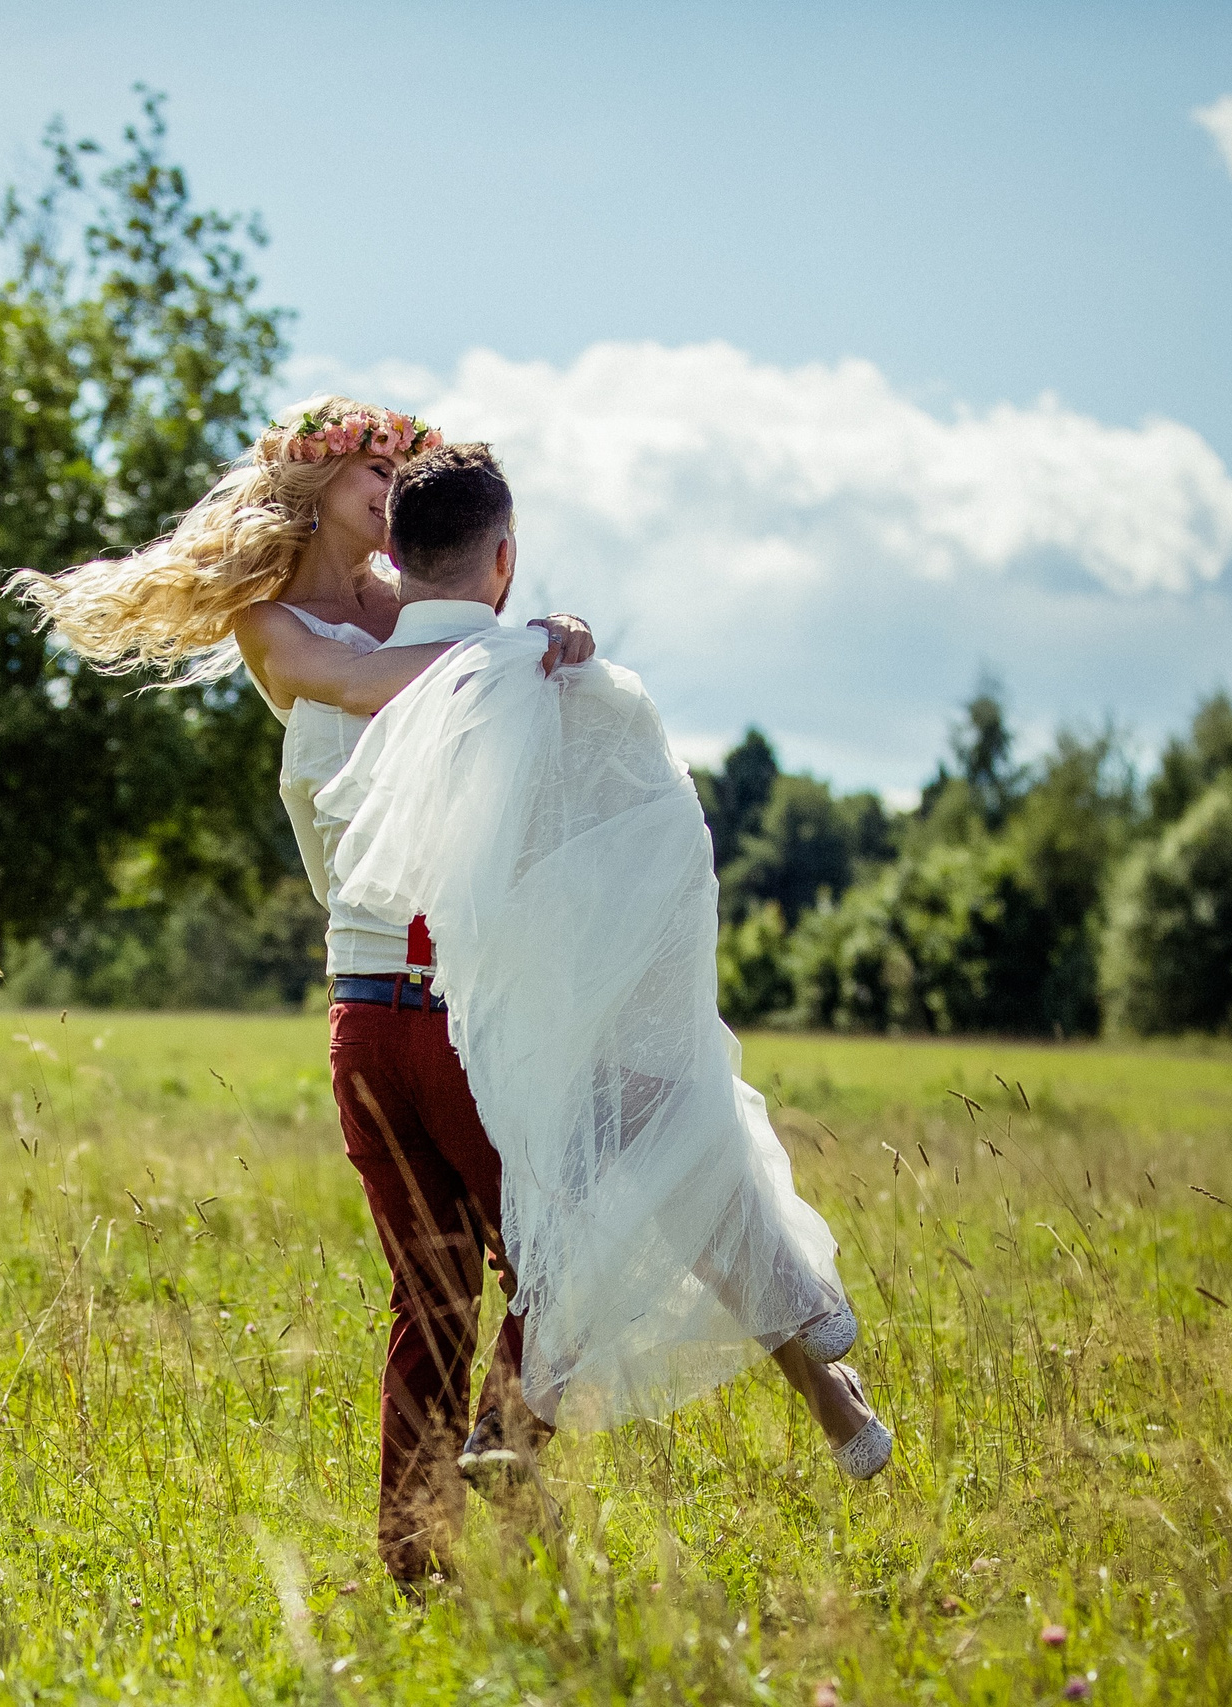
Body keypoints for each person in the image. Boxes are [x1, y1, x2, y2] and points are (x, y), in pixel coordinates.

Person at [10, 397, 591, 1581]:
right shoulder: (273, 628)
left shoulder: (417, 610)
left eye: (401, 471)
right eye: (373, 471)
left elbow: (479, 658)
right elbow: (393, 690)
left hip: (422, 998)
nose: (393, 488)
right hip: (402, 1003)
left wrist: (549, 628)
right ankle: (480, 1469)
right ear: (312, 485)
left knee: (451, 1285)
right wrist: (514, 645)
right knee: (527, 1261)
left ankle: (430, 1549)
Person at [323, 443, 891, 1482]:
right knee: (636, 1172)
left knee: (445, 1283)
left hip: (366, 1018)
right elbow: (666, 854)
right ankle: (540, 1426)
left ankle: (433, 1534)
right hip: (481, 1019)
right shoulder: (562, 680)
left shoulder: (344, 676)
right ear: (504, 557)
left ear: (395, 558)